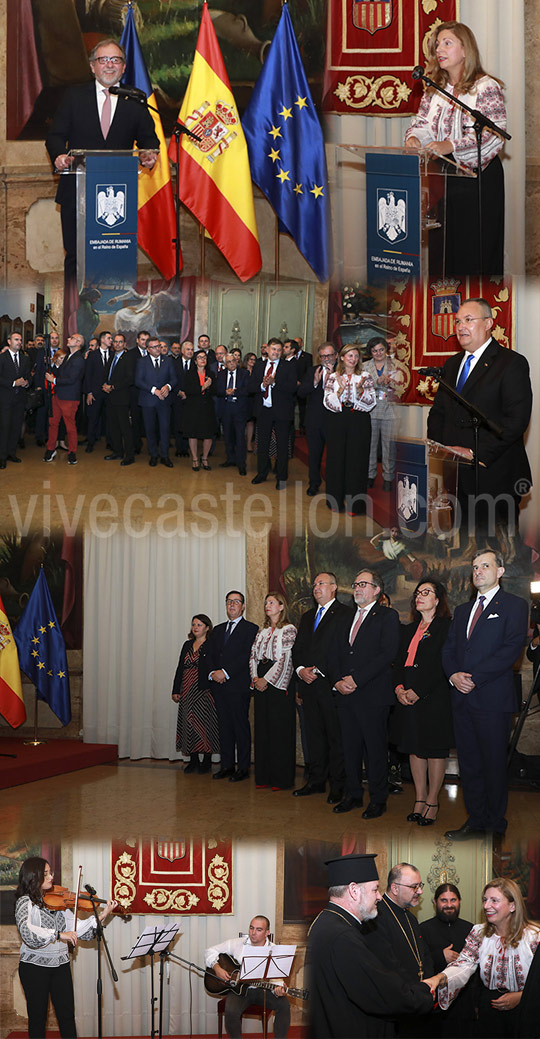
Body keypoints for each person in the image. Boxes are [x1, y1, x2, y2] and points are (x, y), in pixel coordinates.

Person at [45, 38, 159, 278]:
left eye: (115, 60)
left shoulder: (135, 99)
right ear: (92, 66)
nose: (109, 65)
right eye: (103, 60)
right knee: (77, 256)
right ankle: (74, 311)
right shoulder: (74, 96)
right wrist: (59, 156)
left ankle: (113, 310)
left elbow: (150, 140)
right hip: (77, 192)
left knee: (115, 255)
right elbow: (55, 136)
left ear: (124, 67)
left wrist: (149, 154)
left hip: (118, 197)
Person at [426, 297, 532, 544]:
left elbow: (516, 421)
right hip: (457, 477)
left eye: (468, 320)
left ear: (488, 324)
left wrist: (474, 452)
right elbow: (438, 413)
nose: (461, 326)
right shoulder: (452, 365)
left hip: (495, 475)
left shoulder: (511, 363)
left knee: (499, 552)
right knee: (466, 547)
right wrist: (441, 448)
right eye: (457, 321)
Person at [405, 21, 506, 275]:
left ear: (465, 50)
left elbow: (495, 134)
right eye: (438, 44)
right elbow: (421, 125)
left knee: (474, 254)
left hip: (478, 182)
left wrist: (450, 145)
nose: (440, 49)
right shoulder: (434, 91)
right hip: (445, 178)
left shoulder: (486, 87)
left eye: (447, 43)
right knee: (444, 255)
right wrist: (414, 138)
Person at [442, 548, 529, 839]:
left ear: (500, 572)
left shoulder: (515, 606)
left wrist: (475, 678)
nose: (478, 571)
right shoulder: (462, 610)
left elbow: (511, 650)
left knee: (492, 764)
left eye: (485, 566)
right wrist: (454, 675)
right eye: (475, 567)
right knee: (469, 765)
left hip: (492, 699)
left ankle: (495, 824)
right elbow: (450, 648)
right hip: (462, 699)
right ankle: (475, 820)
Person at [307, 853, 435, 1039]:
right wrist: (424, 993)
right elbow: (379, 992)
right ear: (354, 891)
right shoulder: (344, 935)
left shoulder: (325, 921)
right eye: (375, 890)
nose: (379, 897)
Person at [15, 856, 117, 1039]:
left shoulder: (60, 904)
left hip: (60, 966)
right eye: (45, 873)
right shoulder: (25, 902)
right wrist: (59, 934)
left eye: (50, 872)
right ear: (33, 876)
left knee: (67, 1016)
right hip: (34, 968)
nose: (51, 877)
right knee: (38, 1020)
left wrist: (102, 915)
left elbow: (79, 930)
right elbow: (28, 932)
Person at [331, 569, 400, 816]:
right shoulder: (345, 618)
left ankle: (378, 800)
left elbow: (387, 653)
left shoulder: (387, 616)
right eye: (356, 584)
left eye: (363, 584)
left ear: (376, 589)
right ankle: (353, 795)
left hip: (372, 695)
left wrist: (356, 679)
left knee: (374, 750)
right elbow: (336, 653)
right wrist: (338, 681)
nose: (357, 588)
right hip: (345, 695)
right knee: (349, 749)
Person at [434, 878, 540, 1039]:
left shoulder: (534, 937)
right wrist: (439, 978)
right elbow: (463, 965)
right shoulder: (478, 933)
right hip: (489, 1008)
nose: (486, 906)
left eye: (494, 900)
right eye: (485, 900)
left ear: (512, 905)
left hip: (527, 1007)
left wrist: (521, 996)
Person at [392, 578, 453, 826]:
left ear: (437, 600)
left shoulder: (446, 627)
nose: (419, 596)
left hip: (434, 698)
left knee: (434, 749)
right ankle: (418, 799)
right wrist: (398, 688)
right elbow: (397, 663)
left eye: (426, 592)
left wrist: (418, 690)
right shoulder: (408, 629)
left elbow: (442, 665)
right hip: (407, 698)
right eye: (418, 592)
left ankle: (432, 801)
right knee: (415, 748)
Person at [292, 572, 352, 804]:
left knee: (335, 737)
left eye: (321, 584)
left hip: (330, 685)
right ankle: (316, 781)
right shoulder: (307, 617)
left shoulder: (345, 614)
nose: (316, 587)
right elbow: (298, 649)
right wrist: (300, 671)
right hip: (308, 686)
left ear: (334, 587)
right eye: (314, 584)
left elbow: (342, 650)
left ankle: (338, 785)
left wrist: (318, 670)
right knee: (313, 736)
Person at [205, 915, 290, 1039]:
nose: (253, 933)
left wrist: (279, 989)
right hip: (239, 990)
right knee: (231, 1010)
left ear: (267, 932)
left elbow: (276, 978)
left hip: (263, 991)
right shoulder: (237, 944)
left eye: (258, 930)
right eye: (251, 928)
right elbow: (209, 951)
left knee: (284, 1004)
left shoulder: (274, 949)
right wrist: (217, 968)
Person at [206, 591, 258, 782]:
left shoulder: (251, 629)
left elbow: (246, 656)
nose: (232, 605)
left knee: (240, 727)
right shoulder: (218, 630)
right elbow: (210, 655)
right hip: (219, 688)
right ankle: (227, 765)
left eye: (236, 602)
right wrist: (213, 673)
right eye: (229, 602)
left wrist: (225, 672)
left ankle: (243, 768)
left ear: (243, 606)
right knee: (224, 727)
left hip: (238, 687)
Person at [249, 592, 297, 790]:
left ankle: (281, 778)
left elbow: (286, 659)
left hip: (277, 683)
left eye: (271, 602)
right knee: (262, 729)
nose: (267, 605)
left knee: (279, 730)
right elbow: (252, 656)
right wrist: (255, 678)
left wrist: (266, 680)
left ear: (281, 606)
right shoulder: (262, 631)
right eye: (266, 602)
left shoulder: (288, 629)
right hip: (260, 677)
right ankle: (263, 776)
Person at [323, 345, 375, 514]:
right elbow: (327, 402)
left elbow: (371, 402)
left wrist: (360, 391)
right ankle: (335, 502)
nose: (353, 359)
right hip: (338, 418)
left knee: (357, 460)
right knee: (336, 459)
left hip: (359, 419)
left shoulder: (366, 376)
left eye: (356, 356)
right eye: (350, 355)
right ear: (342, 357)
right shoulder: (333, 377)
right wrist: (340, 391)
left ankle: (355, 505)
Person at [421, 884, 475, 1038]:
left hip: (465, 1006)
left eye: (453, 900)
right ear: (435, 902)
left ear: (459, 901)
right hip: (435, 1009)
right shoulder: (423, 929)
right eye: (444, 900)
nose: (449, 905)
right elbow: (418, 965)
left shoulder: (471, 929)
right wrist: (440, 956)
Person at [171, 613, 219, 774]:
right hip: (187, 689)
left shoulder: (212, 644)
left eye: (199, 624)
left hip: (204, 690)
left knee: (204, 725)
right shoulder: (187, 644)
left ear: (207, 627)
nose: (195, 627)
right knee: (188, 724)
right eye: (193, 625)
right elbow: (180, 668)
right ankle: (192, 760)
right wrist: (176, 689)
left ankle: (206, 761)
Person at [251, 338, 298, 490]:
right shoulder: (259, 366)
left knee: (282, 445)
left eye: (279, 350)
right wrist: (262, 385)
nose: (276, 352)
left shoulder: (289, 366)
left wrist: (274, 383)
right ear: (267, 350)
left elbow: (292, 388)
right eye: (273, 349)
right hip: (264, 410)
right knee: (262, 444)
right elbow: (251, 387)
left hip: (282, 412)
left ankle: (282, 477)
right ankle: (262, 473)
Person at [297, 342, 337, 496]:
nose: (327, 359)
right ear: (319, 357)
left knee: (334, 456)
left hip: (334, 422)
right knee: (314, 455)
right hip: (314, 421)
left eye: (330, 355)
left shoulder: (341, 372)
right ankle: (314, 483)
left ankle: (333, 485)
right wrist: (314, 382)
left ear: (336, 356)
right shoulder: (313, 371)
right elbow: (301, 392)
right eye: (323, 356)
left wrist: (334, 378)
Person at [135, 334, 177, 468]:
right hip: (148, 401)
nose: (157, 349)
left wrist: (168, 386)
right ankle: (153, 455)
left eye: (158, 346)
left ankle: (165, 456)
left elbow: (174, 379)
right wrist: (154, 390)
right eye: (154, 347)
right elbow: (138, 381)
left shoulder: (168, 361)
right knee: (150, 429)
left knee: (165, 429)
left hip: (164, 401)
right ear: (148, 349)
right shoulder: (142, 362)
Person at [44, 333, 85, 465]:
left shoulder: (78, 359)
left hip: (69, 397)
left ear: (78, 343)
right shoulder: (68, 357)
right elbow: (62, 372)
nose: (68, 339)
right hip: (58, 395)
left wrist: (54, 380)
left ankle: (72, 452)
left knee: (70, 426)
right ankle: (51, 448)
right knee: (53, 423)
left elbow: (72, 379)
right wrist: (54, 364)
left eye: (72, 338)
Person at [363, 337, 398, 491]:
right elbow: (361, 387)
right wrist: (378, 382)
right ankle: (370, 475)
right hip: (371, 409)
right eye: (374, 350)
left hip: (390, 410)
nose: (378, 353)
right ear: (370, 352)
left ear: (386, 349)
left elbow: (404, 385)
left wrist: (392, 382)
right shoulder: (364, 367)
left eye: (381, 349)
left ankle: (388, 477)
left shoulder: (396, 365)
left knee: (388, 446)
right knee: (370, 445)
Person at [103, 332, 136, 466]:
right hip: (110, 398)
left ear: (125, 344)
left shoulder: (128, 358)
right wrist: (105, 385)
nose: (117, 344)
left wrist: (113, 387)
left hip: (122, 398)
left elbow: (129, 379)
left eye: (120, 342)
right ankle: (117, 452)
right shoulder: (112, 357)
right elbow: (108, 375)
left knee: (125, 428)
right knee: (113, 427)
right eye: (115, 342)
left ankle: (129, 456)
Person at [0, 331, 31, 470]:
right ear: (9, 342)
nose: (19, 342)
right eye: (16, 339)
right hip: (5, 399)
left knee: (16, 427)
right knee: (5, 427)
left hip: (20, 399)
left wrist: (26, 383)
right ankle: (2, 456)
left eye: (20, 339)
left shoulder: (25, 359)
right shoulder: (2, 358)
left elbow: (29, 376)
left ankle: (12, 453)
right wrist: (13, 383)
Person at [183, 349, 217, 471]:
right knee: (193, 434)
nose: (203, 359)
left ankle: (205, 458)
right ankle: (195, 459)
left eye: (204, 358)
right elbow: (189, 391)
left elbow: (215, 390)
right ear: (195, 361)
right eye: (200, 357)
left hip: (207, 407)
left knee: (208, 434)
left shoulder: (211, 374)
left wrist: (209, 387)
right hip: (193, 407)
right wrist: (204, 386)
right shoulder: (189, 374)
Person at [217, 353, 251, 476]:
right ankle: (230, 459)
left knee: (240, 437)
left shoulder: (244, 373)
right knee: (228, 436)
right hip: (226, 409)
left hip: (239, 409)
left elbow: (248, 389)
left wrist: (235, 392)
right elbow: (217, 390)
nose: (232, 363)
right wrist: (225, 392)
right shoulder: (221, 374)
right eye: (229, 362)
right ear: (225, 364)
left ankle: (241, 464)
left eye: (233, 361)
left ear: (237, 361)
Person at [83, 330, 112, 452]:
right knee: (93, 419)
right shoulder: (93, 355)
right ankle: (90, 442)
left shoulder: (113, 354)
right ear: (103, 340)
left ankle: (110, 443)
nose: (111, 340)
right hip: (95, 393)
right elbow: (88, 375)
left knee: (110, 419)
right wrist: (89, 392)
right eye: (109, 338)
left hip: (109, 393)